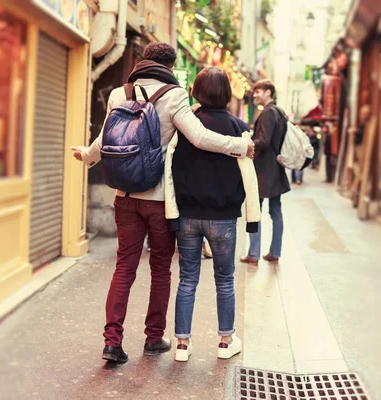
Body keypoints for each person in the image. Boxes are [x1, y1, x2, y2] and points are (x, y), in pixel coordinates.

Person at [70, 42, 254, 364]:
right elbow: (200, 138)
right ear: (170, 67)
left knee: (124, 269)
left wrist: (86, 156)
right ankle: (154, 338)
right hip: (157, 200)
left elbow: (105, 138)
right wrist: (240, 146)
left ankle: (112, 341)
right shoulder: (174, 95)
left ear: (144, 61)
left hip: (124, 197)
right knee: (160, 270)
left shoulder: (118, 93)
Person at [168, 67, 260, 361]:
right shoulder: (238, 128)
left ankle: (182, 345)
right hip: (223, 217)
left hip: (188, 215)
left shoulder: (186, 125)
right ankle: (225, 340)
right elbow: (247, 174)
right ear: (226, 93)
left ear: (195, 91)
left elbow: (172, 167)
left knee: (187, 279)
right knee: (225, 279)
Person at [240, 80, 290, 265]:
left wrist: (248, 143)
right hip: (275, 168)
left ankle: (253, 254)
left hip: (263, 170)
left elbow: (264, 140)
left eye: (258, 91)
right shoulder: (279, 111)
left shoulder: (268, 112)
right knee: (275, 211)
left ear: (268, 93)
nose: (255, 95)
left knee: (255, 211)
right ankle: (274, 251)